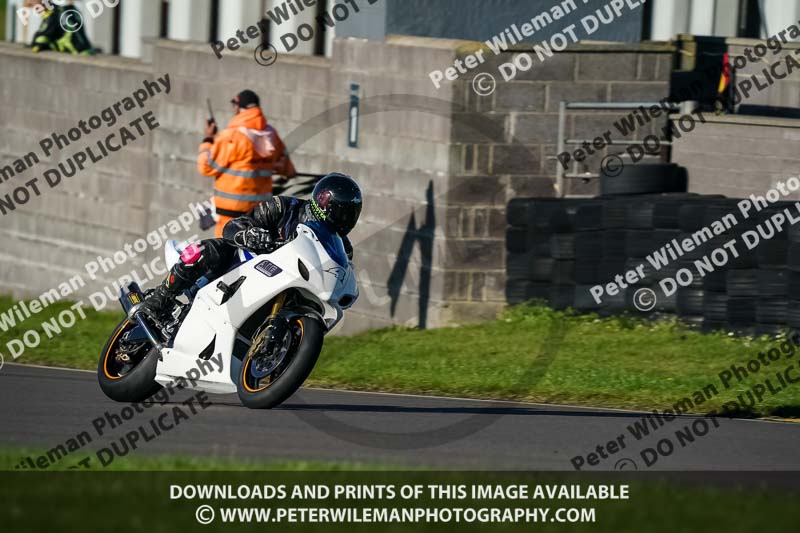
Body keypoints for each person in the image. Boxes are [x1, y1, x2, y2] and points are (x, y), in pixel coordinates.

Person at [140, 173, 362, 320]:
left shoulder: (343, 247)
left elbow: (341, 272)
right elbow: (233, 227)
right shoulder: (285, 207)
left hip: (287, 285)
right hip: (248, 262)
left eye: (349, 214)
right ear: (323, 202)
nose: (342, 218)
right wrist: (252, 235)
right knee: (206, 251)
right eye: (339, 210)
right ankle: (159, 298)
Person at [198, 89, 296, 238]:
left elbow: (206, 167)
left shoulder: (231, 136)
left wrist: (208, 139)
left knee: (227, 256)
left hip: (230, 216)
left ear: (238, 107)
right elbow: (287, 169)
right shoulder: (271, 135)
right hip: (260, 214)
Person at [29, 1, 96, 54]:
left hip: (78, 53)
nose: (29, 3)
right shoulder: (59, 10)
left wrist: (35, 45)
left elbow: (43, 36)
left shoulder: (52, 14)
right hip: (85, 50)